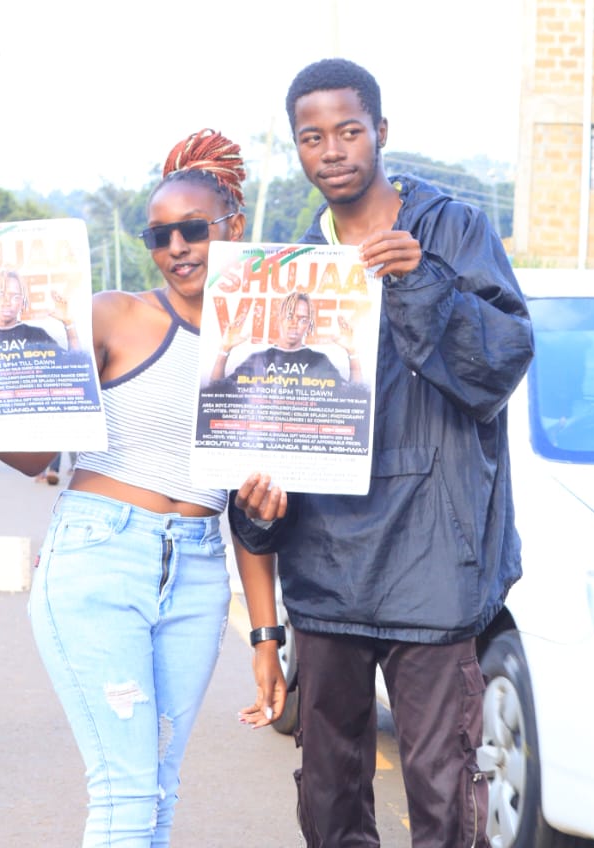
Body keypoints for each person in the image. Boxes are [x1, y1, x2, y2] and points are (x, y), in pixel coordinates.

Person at [0, 129, 287, 848]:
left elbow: (250, 512)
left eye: (194, 229)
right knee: (126, 795)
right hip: (101, 557)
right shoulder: (115, 316)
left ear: (233, 226)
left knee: (158, 791)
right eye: (160, 235)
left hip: (199, 572)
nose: (178, 247)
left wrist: (266, 637)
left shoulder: (258, 349)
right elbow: (34, 456)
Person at [230, 59, 535, 848]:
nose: (331, 151)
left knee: (444, 789)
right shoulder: (289, 271)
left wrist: (421, 280)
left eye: (348, 131)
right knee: (328, 789)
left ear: (380, 133)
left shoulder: (450, 231)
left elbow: (498, 367)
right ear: (296, 148)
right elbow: (263, 427)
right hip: (326, 568)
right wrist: (258, 509)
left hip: (431, 566)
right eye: (311, 138)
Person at [209, 290, 363, 387]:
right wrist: (224, 349)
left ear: (308, 325)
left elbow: (355, 396)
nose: (294, 324)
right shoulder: (258, 360)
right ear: (279, 319)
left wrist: (352, 353)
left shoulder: (319, 361)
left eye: (302, 319)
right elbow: (216, 391)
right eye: (289, 316)